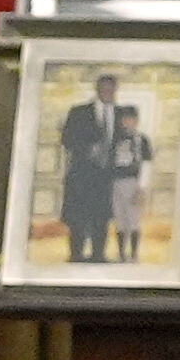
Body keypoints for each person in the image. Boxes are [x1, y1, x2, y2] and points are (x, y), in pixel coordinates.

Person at [52, 74, 133, 266]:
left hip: (108, 178)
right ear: (97, 89)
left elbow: (129, 142)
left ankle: (98, 255)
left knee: (102, 217)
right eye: (104, 89)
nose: (108, 92)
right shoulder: (79, 111)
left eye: (111, 89)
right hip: (81, 176)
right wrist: (88, 148)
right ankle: (76, 255)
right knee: (78, 218)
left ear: (116, 90)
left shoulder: (122, 114)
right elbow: (67, 139)